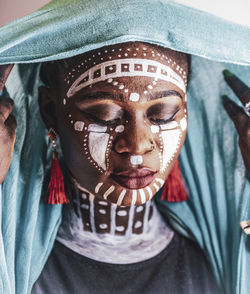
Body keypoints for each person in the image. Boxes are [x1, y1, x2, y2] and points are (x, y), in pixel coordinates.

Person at [0, 1, 249, 293]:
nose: (137, 145)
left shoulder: (227, 251)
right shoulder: (15, 262)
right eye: (105, 115)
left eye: (163, 114)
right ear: (50, 110)